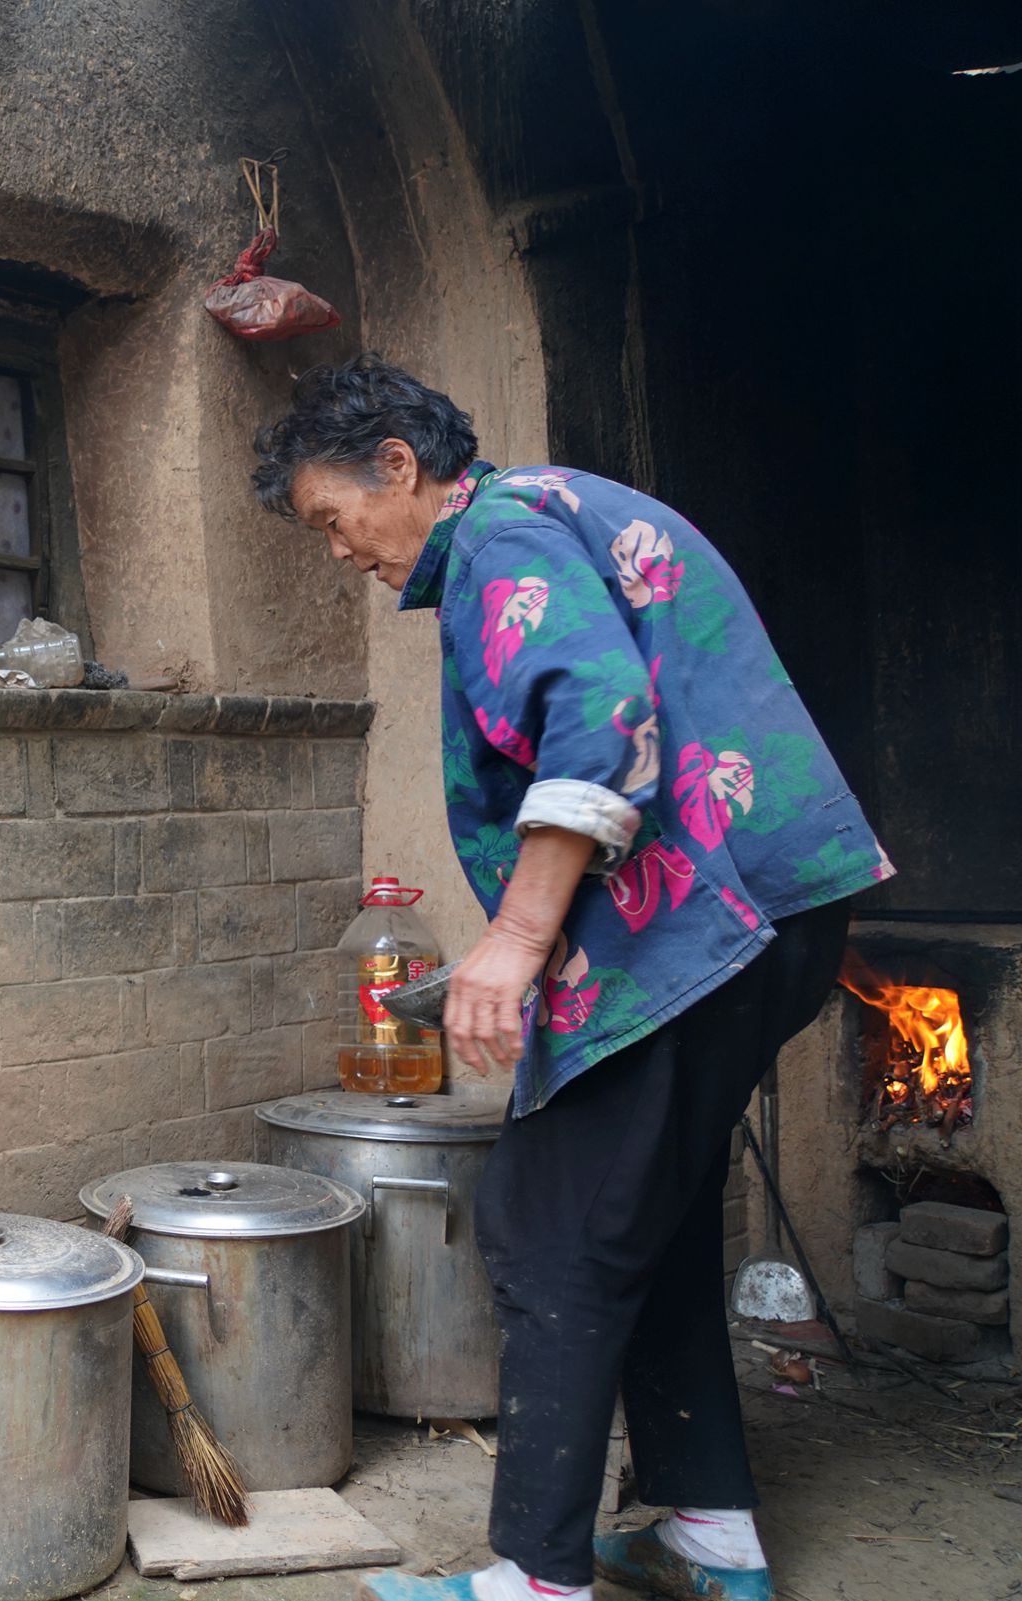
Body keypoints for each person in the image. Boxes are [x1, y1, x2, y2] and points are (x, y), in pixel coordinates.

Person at [252, 357, 888, 1601]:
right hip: (771, 909)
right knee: (645, 1213)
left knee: (546, 1226)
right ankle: (709, 1535)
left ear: (399, 464)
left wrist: (516, 937)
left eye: (333, 516)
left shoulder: (499, 532)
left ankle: (533, 1580)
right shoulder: (547, 510)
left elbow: (600, 718)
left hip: (701, 925)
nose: (338, 549)